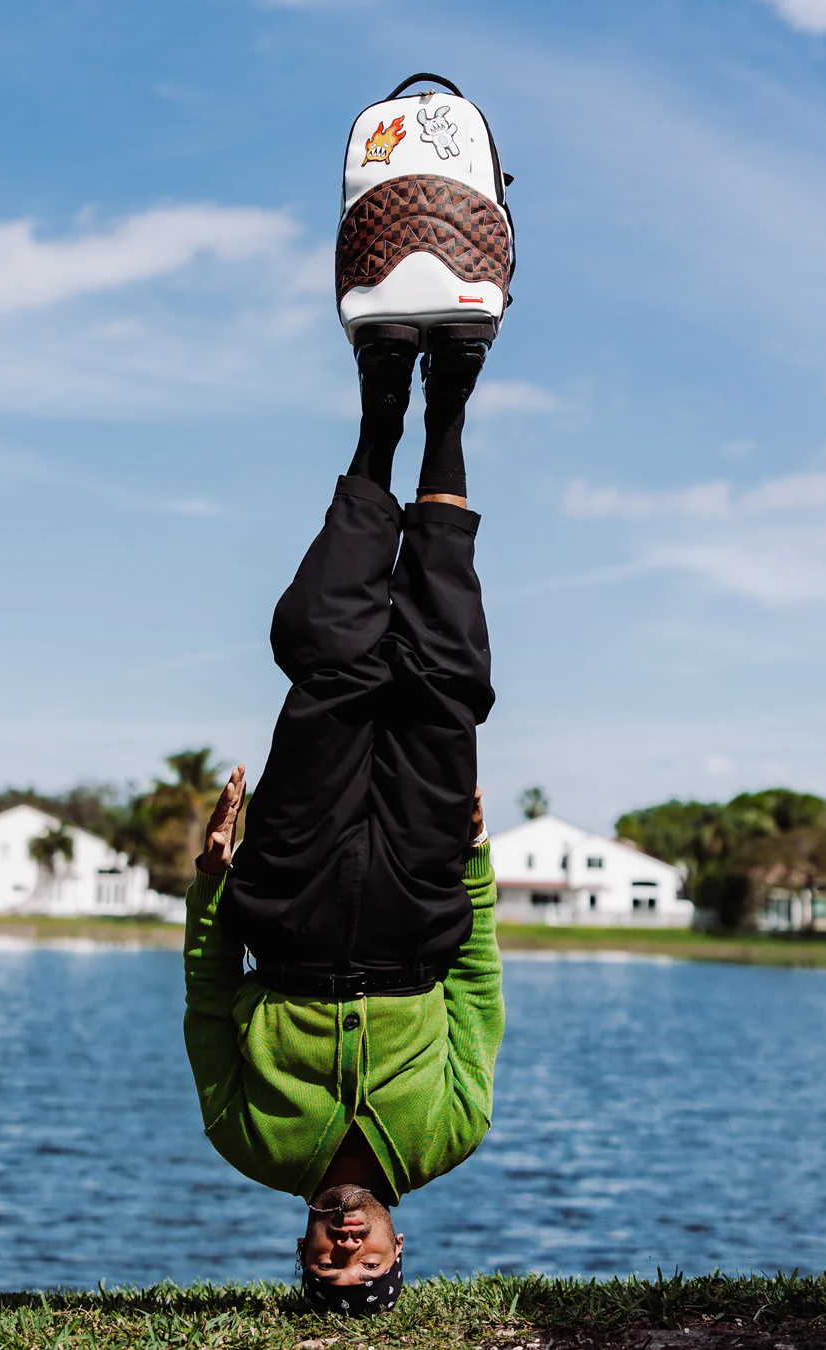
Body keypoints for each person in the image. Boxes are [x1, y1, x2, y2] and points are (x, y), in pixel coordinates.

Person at [182, 320, 504, 1317]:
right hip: (419, 899)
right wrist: (479, 866)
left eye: (328, 1263)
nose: (347, 1248)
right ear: (401, 1243)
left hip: (291, 899)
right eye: (367, 1264)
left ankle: (379, 422)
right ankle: (447, 405)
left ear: (304, 1243)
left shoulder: (249, 1142)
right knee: (446, 679)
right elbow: (479, 992)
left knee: (330, 654)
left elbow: (205, 998)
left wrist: (212, 880)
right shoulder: (450, 1134)